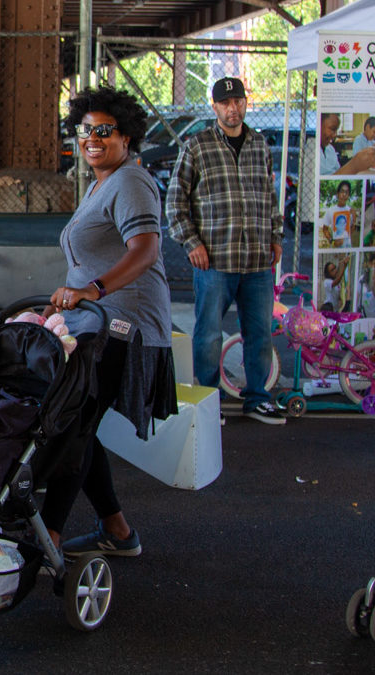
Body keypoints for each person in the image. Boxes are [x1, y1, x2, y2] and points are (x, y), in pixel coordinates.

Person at [43, 86, 177, 558]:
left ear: (127, 136)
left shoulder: (131, 181)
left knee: (74, 423)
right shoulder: (101, 183)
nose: (92, 139)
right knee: (77, 419)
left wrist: (91, 291)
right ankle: (118, 532)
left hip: (124, 323)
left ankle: (50, 539)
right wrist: (65, 303)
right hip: (94, 320)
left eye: (104, 131)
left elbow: (146, 249)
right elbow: (88, 258)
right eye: (85, 131)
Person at [167, 77, 285, 425]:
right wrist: (192, 242)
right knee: (209, 334)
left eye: (239, 101)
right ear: (215, 107)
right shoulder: (197, 146)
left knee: (260, 332)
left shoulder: (260, 144)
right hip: (215, 260)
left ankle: (258, 398)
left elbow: (269, 195)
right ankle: (208, 399)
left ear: (246, 103)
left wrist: (275, 234)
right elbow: (175, 203)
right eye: (225, 103)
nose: (233, 108)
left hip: (257, 261)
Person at [319, 181, 358, 248]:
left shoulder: (350, 211)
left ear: (348, 195)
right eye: (342, 191)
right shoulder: (330, 210)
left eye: (347, 192)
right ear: (337, 194)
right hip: (335, 250)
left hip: (347, 248)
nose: (344, 194)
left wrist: (354, 219)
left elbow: (351, 230)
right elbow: (325, 229)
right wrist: (332, 241)